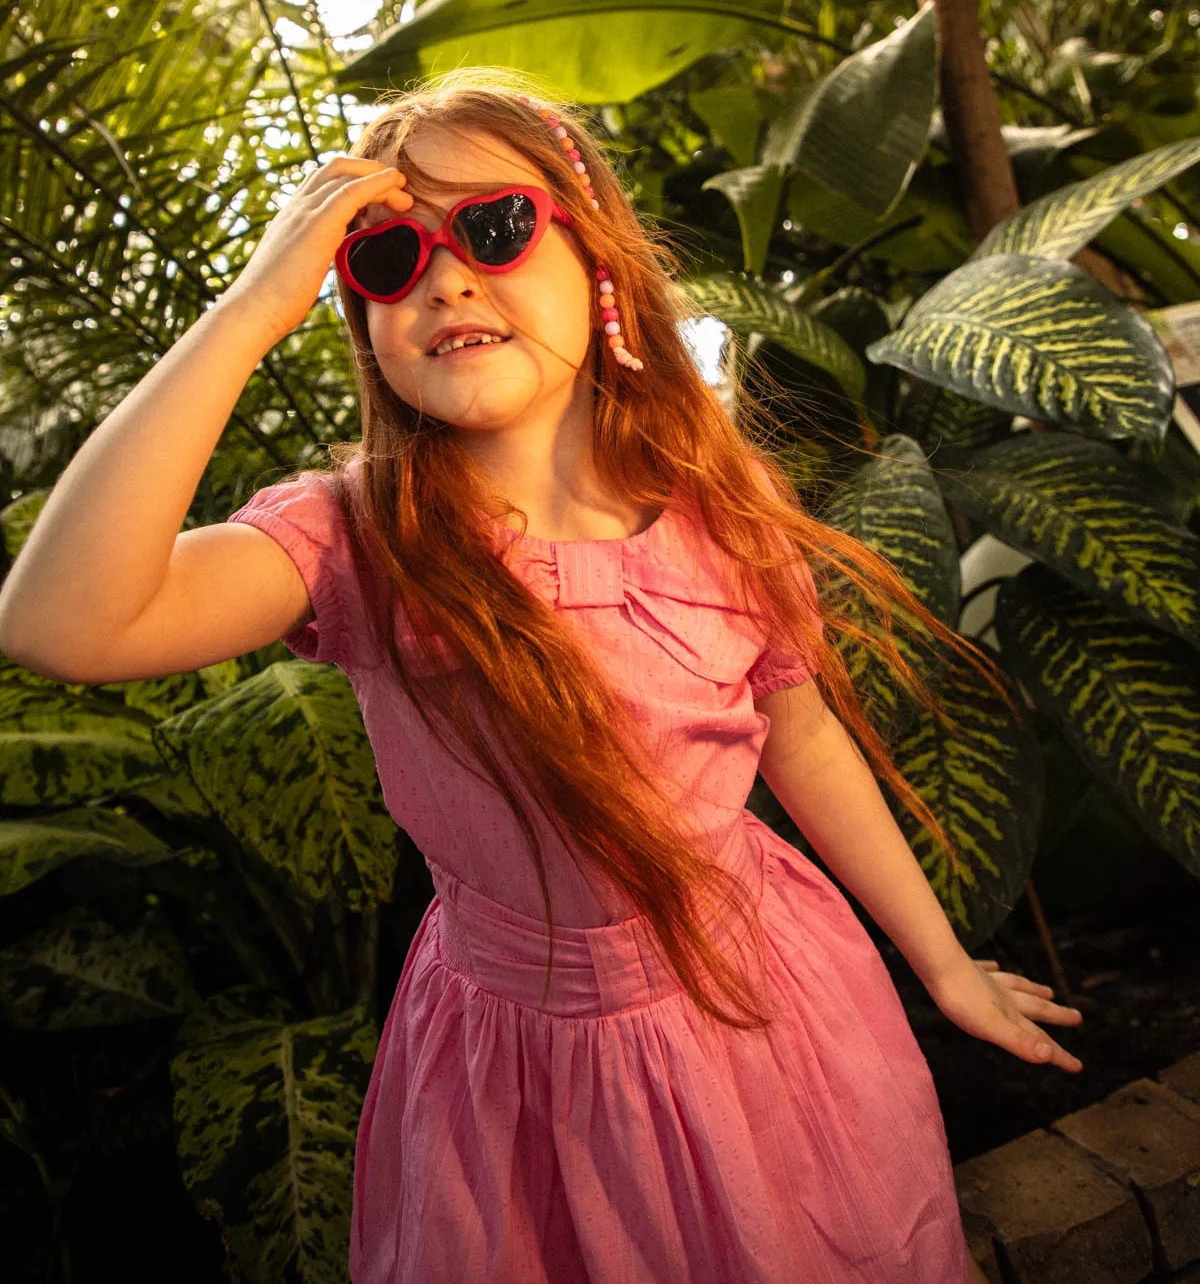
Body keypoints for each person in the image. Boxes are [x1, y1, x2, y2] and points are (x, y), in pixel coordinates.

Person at [0, 70, 1084, 1284]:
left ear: (598, 258)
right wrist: (253, 308)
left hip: (773, 1010)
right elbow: (60, 624)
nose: (447, 280)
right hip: (522, 1088)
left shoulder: (719, 503)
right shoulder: (363, 540)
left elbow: (803, 736)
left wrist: (943, 964)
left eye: (497, 226)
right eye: (387, 258)